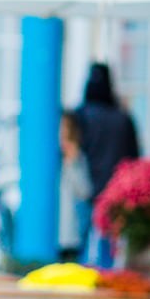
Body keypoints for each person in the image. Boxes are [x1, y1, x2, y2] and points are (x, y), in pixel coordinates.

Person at [74, 61, 140, 267]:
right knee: (109, 249)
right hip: (114, 190)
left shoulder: (81, 115)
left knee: (81, 245)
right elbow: (134, 156)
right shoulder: (123, 119)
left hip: (85, 189)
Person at [57, 110, 93, 263]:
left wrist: (73, 162)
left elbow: (85, 191)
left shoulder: (77, 158)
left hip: (69, 234)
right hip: (49, 233)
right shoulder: (44, 158)